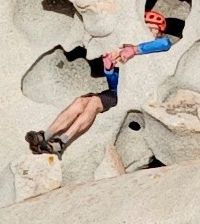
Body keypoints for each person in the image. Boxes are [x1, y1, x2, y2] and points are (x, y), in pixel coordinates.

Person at [27, 10, 174, 157]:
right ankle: (45, 136)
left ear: (159, 31)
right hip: (118, 92)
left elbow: (165, 43)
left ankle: (62, 142)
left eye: (153, 28)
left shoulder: (153, 48)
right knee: (80, 101)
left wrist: (135, 50)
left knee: (94, 103)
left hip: (136, 94)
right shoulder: (127, 49)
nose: (148, 31)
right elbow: (115, 83)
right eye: (147, 27)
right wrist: (109, 69)